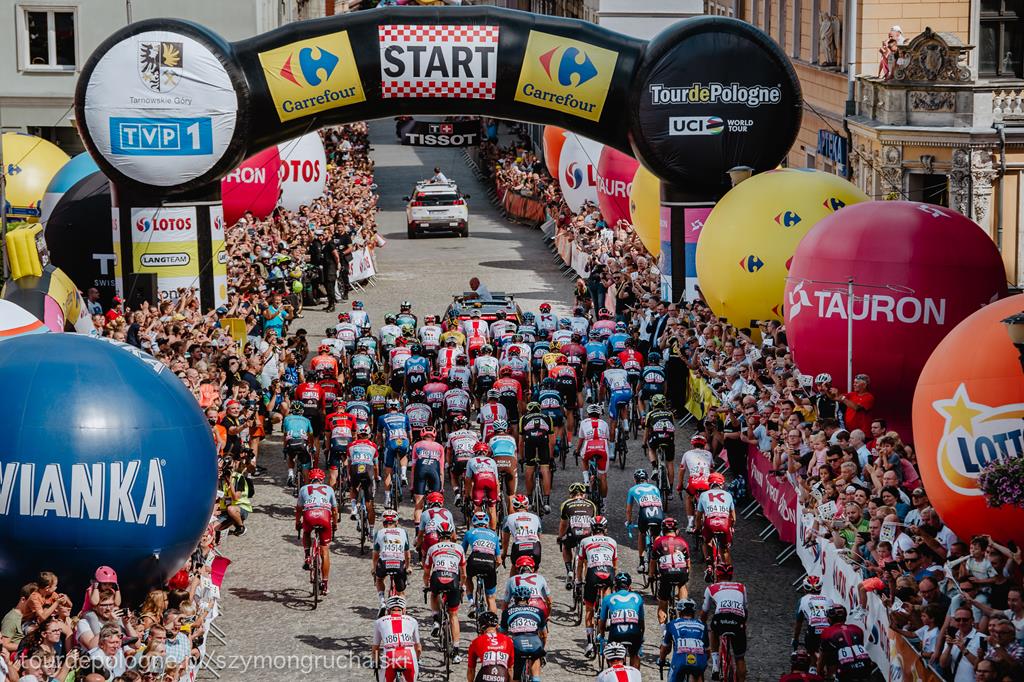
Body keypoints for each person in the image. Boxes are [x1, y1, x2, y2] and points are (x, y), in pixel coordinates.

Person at [423, 519, 466, 664]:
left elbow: (427, 571)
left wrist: (426, 585)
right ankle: (456, 651)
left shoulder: (433, 548)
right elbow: (464, 574)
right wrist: (462, 586)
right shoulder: (458, 548)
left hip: (437, 578)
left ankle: (436, 620)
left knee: (434, 594)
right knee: (454, 615)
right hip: (453, 580)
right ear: (452, 534)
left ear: (439, 534)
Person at [295, 468, 338, 596]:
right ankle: (325, 584)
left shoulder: (304, 489)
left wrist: (297, 522)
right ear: (322, 479)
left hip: (309, 514)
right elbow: (335, 510)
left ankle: (308, 556)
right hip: (324, 516)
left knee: (307, 532)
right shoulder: (329, 489)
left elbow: (298, 509)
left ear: (310, 479)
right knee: (324, 551)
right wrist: (335, 524)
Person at [580, 516, 618, 658]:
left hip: (592, 574)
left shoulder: (585, 541)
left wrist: (579, 580)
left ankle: (589, 642)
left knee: (589, 609)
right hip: (608, 573)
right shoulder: (612, 542)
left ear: (591, 529)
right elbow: (615, 565)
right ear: (605, 529)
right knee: (608, 588)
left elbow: (580, 564)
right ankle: (607, 615)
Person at [700, 578, 749, 682]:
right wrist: (743, 624)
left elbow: (704, 612)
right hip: (737, 620)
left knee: (713, 631)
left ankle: (715, 666)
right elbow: (745, 610)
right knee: (740, 658)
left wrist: (702, 624)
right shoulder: (741, 586)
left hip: (720, 619)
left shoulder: (711, 588)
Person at [500, 584, 547, 682]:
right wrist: (542, 649)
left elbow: (502, 634)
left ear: (515, 599)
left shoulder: (507, 612)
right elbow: (544, 634)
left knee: (514, 670)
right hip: (534, 641)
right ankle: (536, 679)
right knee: (535, 657)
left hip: (517, 641)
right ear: (529, 599)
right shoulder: (539, 611)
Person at [598, 572, 645, 668]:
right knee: (635, 654)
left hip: (616, 633)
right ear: (629, 586)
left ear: (615, 587)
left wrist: (602, 637)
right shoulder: (638, 597)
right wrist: (641, 639)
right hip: (634, 632)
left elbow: (602, 622)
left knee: (612, 655)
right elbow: (641, 623)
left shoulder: (608, 598)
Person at [650, 517, 691, 625]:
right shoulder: (683, 542)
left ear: (663, 530)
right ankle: (684, 612)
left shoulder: (658, 542)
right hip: (681, 573)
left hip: (666, 575)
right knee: (682, 585)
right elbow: (688, 563)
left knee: (663, 604)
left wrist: (650, 575)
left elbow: (653, 561)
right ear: (676, 530)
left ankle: (664, 634)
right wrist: (687, 575)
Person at [695, 472, 736, 581]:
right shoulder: (728, 495)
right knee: (725, 549)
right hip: (724, 523)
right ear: (722, 485)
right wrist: (731, 528)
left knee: (706, 541)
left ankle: (708, 565)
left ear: (710, 484)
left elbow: (698, 516)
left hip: (710, 521)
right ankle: (728, 574)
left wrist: (697, 528)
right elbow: (733, 517)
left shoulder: (704, 495)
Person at [372, 595, 421, 682]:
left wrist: (375, 662)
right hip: (409, 656)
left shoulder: (379, 622)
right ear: (404, 610)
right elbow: (418, 648)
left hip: (389, 656)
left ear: (388, 611)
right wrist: (417, 660)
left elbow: (376, 648)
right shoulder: (413, 620)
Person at [559, 481, 598, 589]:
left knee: (566, 547)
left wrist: (560, 537)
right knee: (585, 558)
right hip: (587, 534)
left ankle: (570, 571)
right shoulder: (592, 505)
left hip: (573, 534)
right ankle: (585, 580)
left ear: (571, 495)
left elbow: (563, 524)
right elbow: (594, 522)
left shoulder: (566, 504)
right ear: (584, 494)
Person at [660, 598, 710, 682]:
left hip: (680, 661)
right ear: (694, 612)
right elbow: (708, 652)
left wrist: (662, 660)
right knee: (698, 673)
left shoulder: (672, 624)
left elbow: (665, 648)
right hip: (699, 661)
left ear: (679, 612)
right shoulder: (702, 625)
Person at [373, 509, 412, 614]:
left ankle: (382, 601)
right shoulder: (403, 532)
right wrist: (408, 567)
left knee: (379, 579)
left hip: (384, 563)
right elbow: (407, 555)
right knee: (401, 591)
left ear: (383, 523)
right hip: (399, 563)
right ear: (397, 522)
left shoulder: (379, 533)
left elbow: (375, 555)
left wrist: (374, 568)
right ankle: (403, 613)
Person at [818, 604, 870, 681]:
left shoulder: (826, 632)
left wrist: (819, 673)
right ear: (845, 617)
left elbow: (823, 658)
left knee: (828, 654)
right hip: (865, 668)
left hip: (845, 671)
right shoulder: (857, 629)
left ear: (829, 619)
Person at [625, 469, 664, 572]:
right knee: (657, 535)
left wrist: (629, 522)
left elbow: (629, 510)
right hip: (658, 512)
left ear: (635, 480)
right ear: (647, 479)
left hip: (644, 513)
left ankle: (642, 563)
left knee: (642, 534)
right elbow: (661, 504)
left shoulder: (633, 489)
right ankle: (659, 558)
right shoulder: (655, 488)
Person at [462, 512, 501, 615]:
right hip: (489, 562)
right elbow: (499, 560)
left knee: (468, 577)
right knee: (491, 598)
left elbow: (462, 553)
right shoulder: (494, 535)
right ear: (487, 523)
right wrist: (494, 569)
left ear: (473, 523)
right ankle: (494, 625)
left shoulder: (469, 533)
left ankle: (471, 602)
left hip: (474, 560)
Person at [467, 611, 514, 682]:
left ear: (480, 627)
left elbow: (471, 670)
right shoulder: (508, 640)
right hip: (502, 675)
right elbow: (511, 669)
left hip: (485, 675)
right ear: (497, 625)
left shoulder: (475, 641)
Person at [793, 576, 832, 661]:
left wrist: (795, 639)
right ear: (820, 588)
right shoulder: (829, 599)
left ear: (804, 588)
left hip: (814, 627)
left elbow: (798, 623)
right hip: (829, 628)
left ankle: (814, 668)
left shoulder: (802, 600)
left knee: (811, 652)